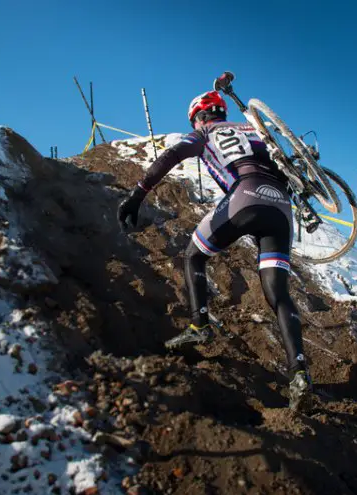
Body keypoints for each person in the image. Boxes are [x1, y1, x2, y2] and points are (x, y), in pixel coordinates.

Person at [117, 90, 310, 410]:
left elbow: (169, 158)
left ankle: (199, 326)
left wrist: (137, 195)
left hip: (245, 196)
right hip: (280, 207)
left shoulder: (205, 132)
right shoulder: (253, 130)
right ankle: (300, 372)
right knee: (278, 293)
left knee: (194, 254)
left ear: (197, 116)